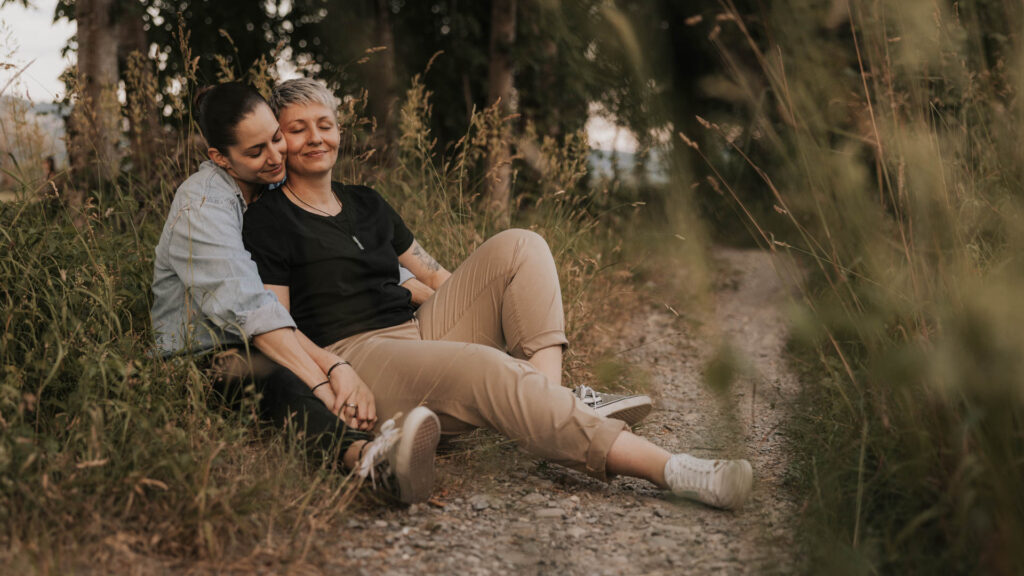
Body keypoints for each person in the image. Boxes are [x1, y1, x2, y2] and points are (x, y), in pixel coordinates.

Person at [240, 78, 753, 509]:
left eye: (324, 125)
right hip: (358, 354)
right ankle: (674, 469)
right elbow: (279, 326)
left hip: (419, 330)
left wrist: (452, 300)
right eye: (297, 129)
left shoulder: (366, 202)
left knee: (520, 246)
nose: (315, 138)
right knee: (489, 367)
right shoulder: (271, 219)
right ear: (280, 141)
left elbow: (440, 277)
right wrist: (331, 380)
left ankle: (546, 408)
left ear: (339, 131)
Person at [149, 83, 440, 504]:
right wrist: (328, 376)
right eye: (256, 152)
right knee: (276, 377)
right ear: (219, 157)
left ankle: (395, 426)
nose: (276, 156)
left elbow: (343, 258)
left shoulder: (269, 187)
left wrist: (414, 290)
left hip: (283, 333)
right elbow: (251, 314)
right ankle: (369, 459)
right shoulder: (204, 207)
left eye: (276, 138)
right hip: (211, 351)